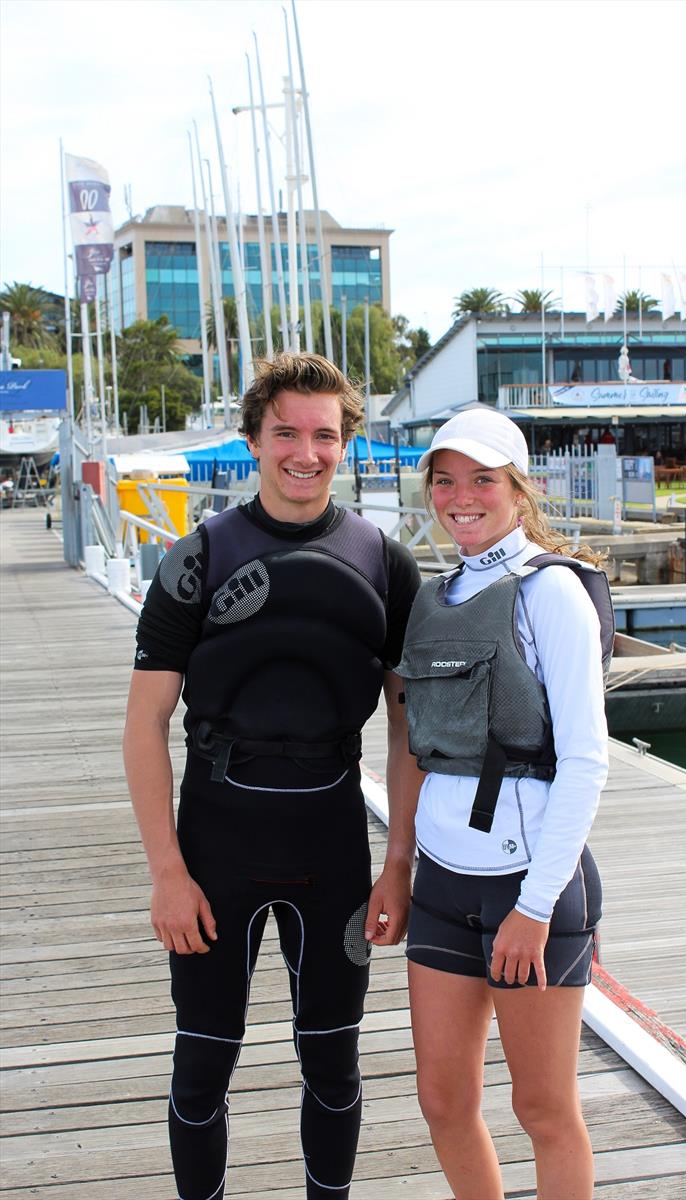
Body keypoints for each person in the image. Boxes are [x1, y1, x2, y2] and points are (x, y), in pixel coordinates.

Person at [123, 353, 423, 1199]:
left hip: (334, 846)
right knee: (202, 1066)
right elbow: (144, 725)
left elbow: (406, 727)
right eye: (286, 431)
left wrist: (398, 860)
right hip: (216, 845)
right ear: (254, 438)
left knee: (333, 1059)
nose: (306, 452)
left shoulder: (385, 564)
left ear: (345, 445)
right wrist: (167, 874)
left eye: (324, 435)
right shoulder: (198, 558)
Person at [398, 409, 611, 1200]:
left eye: (482, 479)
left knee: (544, 1108)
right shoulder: (436, 595)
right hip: (444, 884)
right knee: (444, 1101)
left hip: (532, 888)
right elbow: (417, 751)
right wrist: (401, 872)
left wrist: (533, 906)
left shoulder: (550, 592)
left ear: (518, 491)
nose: (460, 497)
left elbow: (588, 761)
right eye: (445, 480)